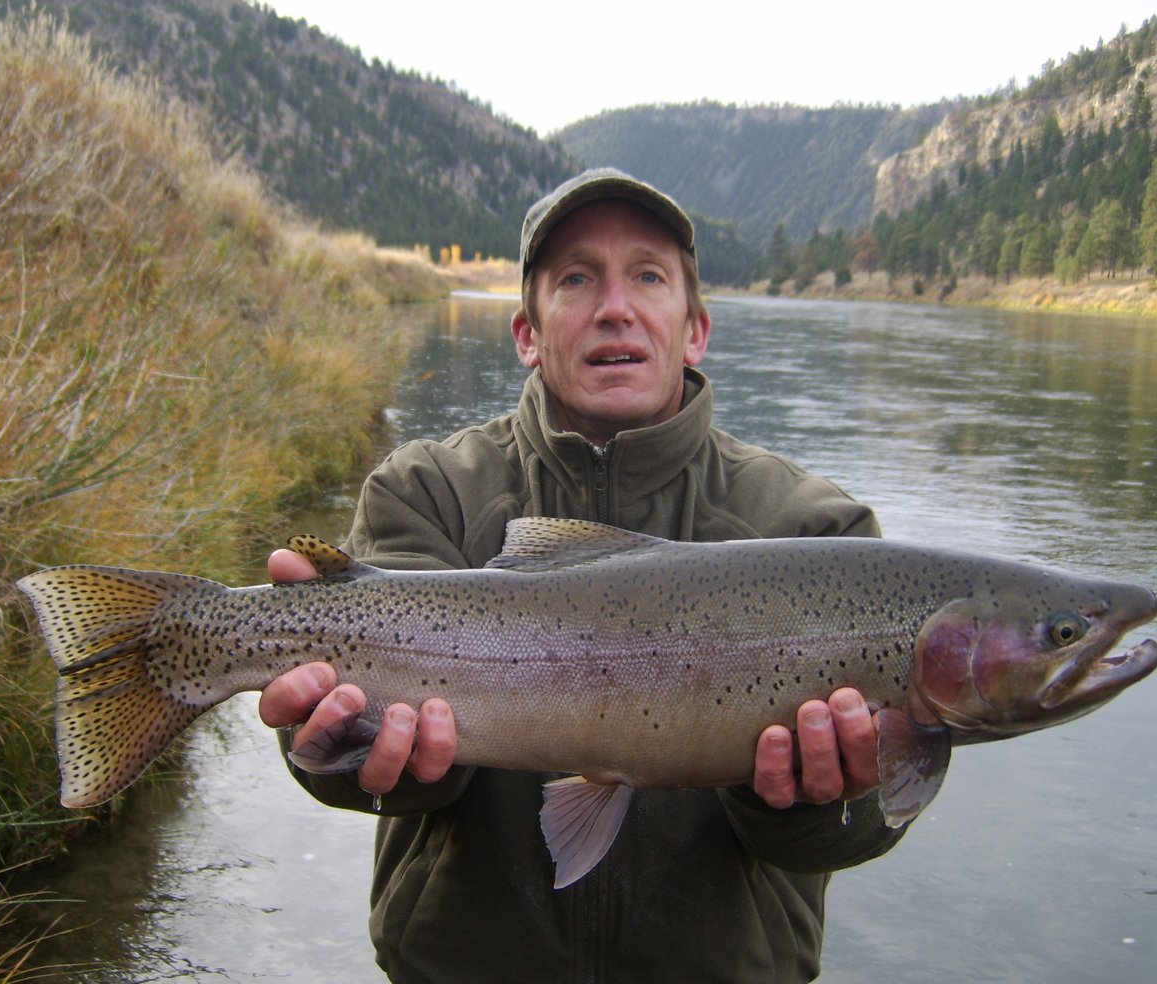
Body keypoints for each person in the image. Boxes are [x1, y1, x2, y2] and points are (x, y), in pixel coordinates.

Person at [258, 168, 906, 983]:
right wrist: (340, 754)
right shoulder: (424, 490)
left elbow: (856, 829)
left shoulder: (819, 533)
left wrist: (814, 800)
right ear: (527, 333)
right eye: (575, 278)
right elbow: (369, 768)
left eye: (647, 275)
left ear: (694, 328)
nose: (614, 307)